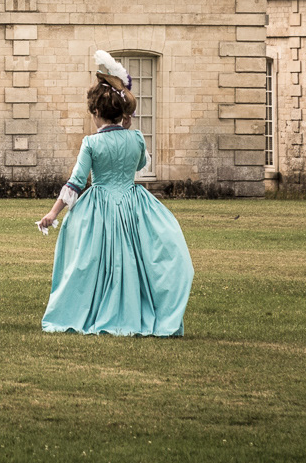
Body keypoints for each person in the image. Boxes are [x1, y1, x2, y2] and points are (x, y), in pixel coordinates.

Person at [34, 51, 193, 337]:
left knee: (90, 261)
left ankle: (91, 308)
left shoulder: (91, 143)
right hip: (133, 203)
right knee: (136, 258)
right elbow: (142, 164)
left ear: (96, 112)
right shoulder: (136, 137)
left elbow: (75, 183)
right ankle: (136, 308)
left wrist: (53, 213)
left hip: (100, 206)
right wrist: (129, 133)